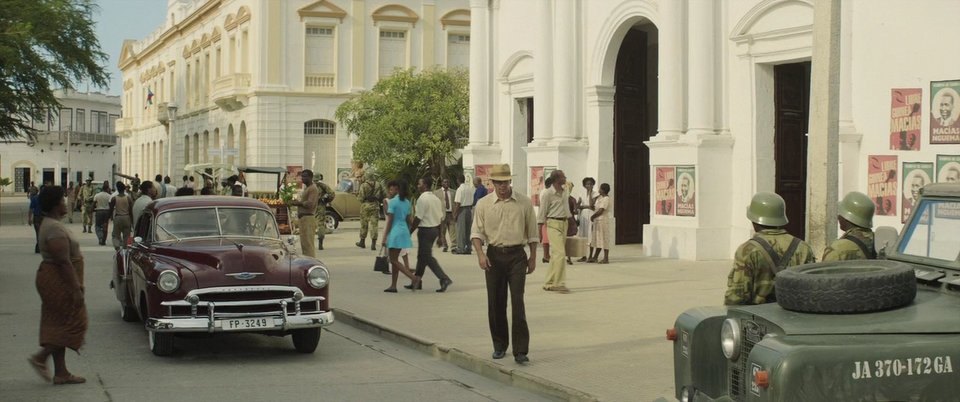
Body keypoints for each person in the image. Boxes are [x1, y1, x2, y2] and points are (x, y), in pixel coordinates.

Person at [470, 163, 538, 364]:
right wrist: (481, 255)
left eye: (505, 182)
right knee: (496, 302)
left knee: (518, 302)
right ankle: (499, 345)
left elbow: (532, 232)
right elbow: (476, 233)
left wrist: (533, 257)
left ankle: (521, 351)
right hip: (494, 256)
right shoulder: (483, 204)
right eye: (498, 183)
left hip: (517, 255)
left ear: (510, 181)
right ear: (492, 183)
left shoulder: (523, 203)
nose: (502, 186)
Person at [28, 186, 88, 385]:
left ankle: (61, 373)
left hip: (59, 278)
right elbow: (63, 261)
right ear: (55, 204)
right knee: (73, 322)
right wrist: (75, 288)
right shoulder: (53, 228)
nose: (65, 203)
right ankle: (40, 357)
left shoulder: (53, 224)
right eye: (63, 200)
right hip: (58, 280)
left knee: (59, 322)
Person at [724, 192, 815, 305]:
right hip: (795, 316)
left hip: (759, 318)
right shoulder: (803, 247)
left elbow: (738, 295)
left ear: (754, 221)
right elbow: (812, 288)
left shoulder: (747, 250)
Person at [406, 177, 453, 292]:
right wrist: (440, 236)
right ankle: (417, 280)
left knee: (427, 257)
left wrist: (410, 231)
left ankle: (444, 278)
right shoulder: (435, 199)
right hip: (434, 230)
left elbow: (418, 218)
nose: (418, 186)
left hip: (425, 231)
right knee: (422, 257)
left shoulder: (422, 199)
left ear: (425, 185)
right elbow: (440, 218)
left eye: (419, 184)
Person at [381, 180, 419, 293]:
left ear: (397, 190)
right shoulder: (406, 202)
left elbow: (389, 221)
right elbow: (409, 220)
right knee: (395, 259)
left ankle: (414, 278)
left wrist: (384, 237)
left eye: (392, 189)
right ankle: (393, 285)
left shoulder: (392, 202)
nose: (389, 191)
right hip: (404, 231)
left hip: (395, 231)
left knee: (393, 260)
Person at [538, 170, 572, 293]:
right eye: (563, 176)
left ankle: (549, 282)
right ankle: (559, 283)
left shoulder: (565, 191)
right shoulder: (547, 193)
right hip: (552, 223)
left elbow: (567, 208)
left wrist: (571, 221)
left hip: (564, 223)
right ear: (557, 179)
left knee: (556, 255)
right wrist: (539, 230)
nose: (565, 178)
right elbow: (542, 212)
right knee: (560, 254)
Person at [822, 191, 876, 261]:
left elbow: (825, 271)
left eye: (841, 213)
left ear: (847, 218)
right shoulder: (881, 243)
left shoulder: (838, 250)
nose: (838, 217)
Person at [287, 170, 319, 258]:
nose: (303, 179)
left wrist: (298, 203)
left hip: (308, 218)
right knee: (304, 244)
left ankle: (311, 262)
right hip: (303, 218)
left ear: (311, 177)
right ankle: (307, 261)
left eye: (305, 177)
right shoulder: (307, 188)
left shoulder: (313, 188)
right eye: (302, 176)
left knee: (308, 245)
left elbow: (310, 204)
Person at [356, 172, 385, 250]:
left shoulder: (363, 185)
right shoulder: (378, 184)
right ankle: (373, 244)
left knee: (364, 224)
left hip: (365, 206)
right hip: (375, 206)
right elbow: (382, 195)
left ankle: (362, 242)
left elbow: (360, 198)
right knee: (374, 225)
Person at [452, 175, 476, 254]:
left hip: (462, 210)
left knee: (461, 230)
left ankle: (461, 248)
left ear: (458, 180)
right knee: (468, 230)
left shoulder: (460, 189)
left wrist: (455, 214)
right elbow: (473, 200)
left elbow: (458, 203)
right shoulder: (469, 188)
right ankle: (468, 248)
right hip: (469, 209)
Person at [588, 183, 612, 263]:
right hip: (597, 221)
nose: (599, 190)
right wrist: (592, 194)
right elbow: (592, 206)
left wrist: (593, 216)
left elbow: (601, 211)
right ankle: (595, 257)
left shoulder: (606, 199)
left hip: (602, 220)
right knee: (598, 239)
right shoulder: (600, 198)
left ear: (603, 190)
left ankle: (606, 258)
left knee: (604, 239)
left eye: (600, 188)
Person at [576, 177, 597, 262]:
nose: (589, 185)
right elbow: (578, 205)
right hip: (583, 215)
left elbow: (592, 205)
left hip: (591, 215)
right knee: (583, 235)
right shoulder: (581, 193)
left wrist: (590, 193)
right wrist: (584, 207)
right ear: (584, 185)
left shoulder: (595, 194)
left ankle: (591, 256)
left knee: (590, 234)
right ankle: (583, 255)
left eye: (591, 184)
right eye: (587, 184)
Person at [433, 178, 456, 252]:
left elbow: (455, 203)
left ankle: (454, 246)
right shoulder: (436, 192)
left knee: (452, 230)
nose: (447, 183)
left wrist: (455, 213)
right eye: (445, 182)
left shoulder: (453, 192)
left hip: (451, 213)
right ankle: (444, 245)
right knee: (442, 231)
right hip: (441, 214)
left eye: (448, 182)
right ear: (442, 183)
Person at [313, 174, 335, 251]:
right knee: (320, 224)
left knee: (310, 224)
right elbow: (332, 194)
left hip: (311, 206)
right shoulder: (323, 186)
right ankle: (320, 243)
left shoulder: (309, 186)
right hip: (320, 206)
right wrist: (326, 200)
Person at [109, 182, 133, 250]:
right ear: (124, 189)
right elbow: (131, 211)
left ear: (117, 189)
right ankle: (126, 249)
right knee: (127, 236)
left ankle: (117, 248)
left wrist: (109, 218)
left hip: (118, 218)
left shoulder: (114, 198)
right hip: (126, 217)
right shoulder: (128, 198)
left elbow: (110, 210)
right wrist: (132, 221)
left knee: (115, 235)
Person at [539, 176, 555, 264]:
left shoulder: (545, 192)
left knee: (547, 237)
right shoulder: (546, 193)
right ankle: (546, 255)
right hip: (547, 216)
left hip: (547, 216)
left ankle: (546, 255)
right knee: (546, 237)